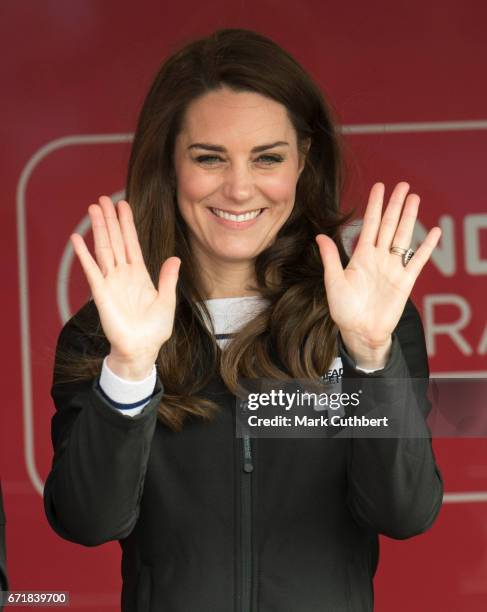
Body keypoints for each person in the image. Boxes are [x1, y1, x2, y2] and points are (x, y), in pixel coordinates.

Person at [43, 28, 443, 612]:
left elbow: (405, 512)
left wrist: (368, 354)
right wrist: (129, 368)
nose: (238, 188)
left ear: (303, 160)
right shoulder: (106, 330)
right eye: (209, 158)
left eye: (267, 158)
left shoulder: (367, 318)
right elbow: (86, 521)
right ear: (170, 164)